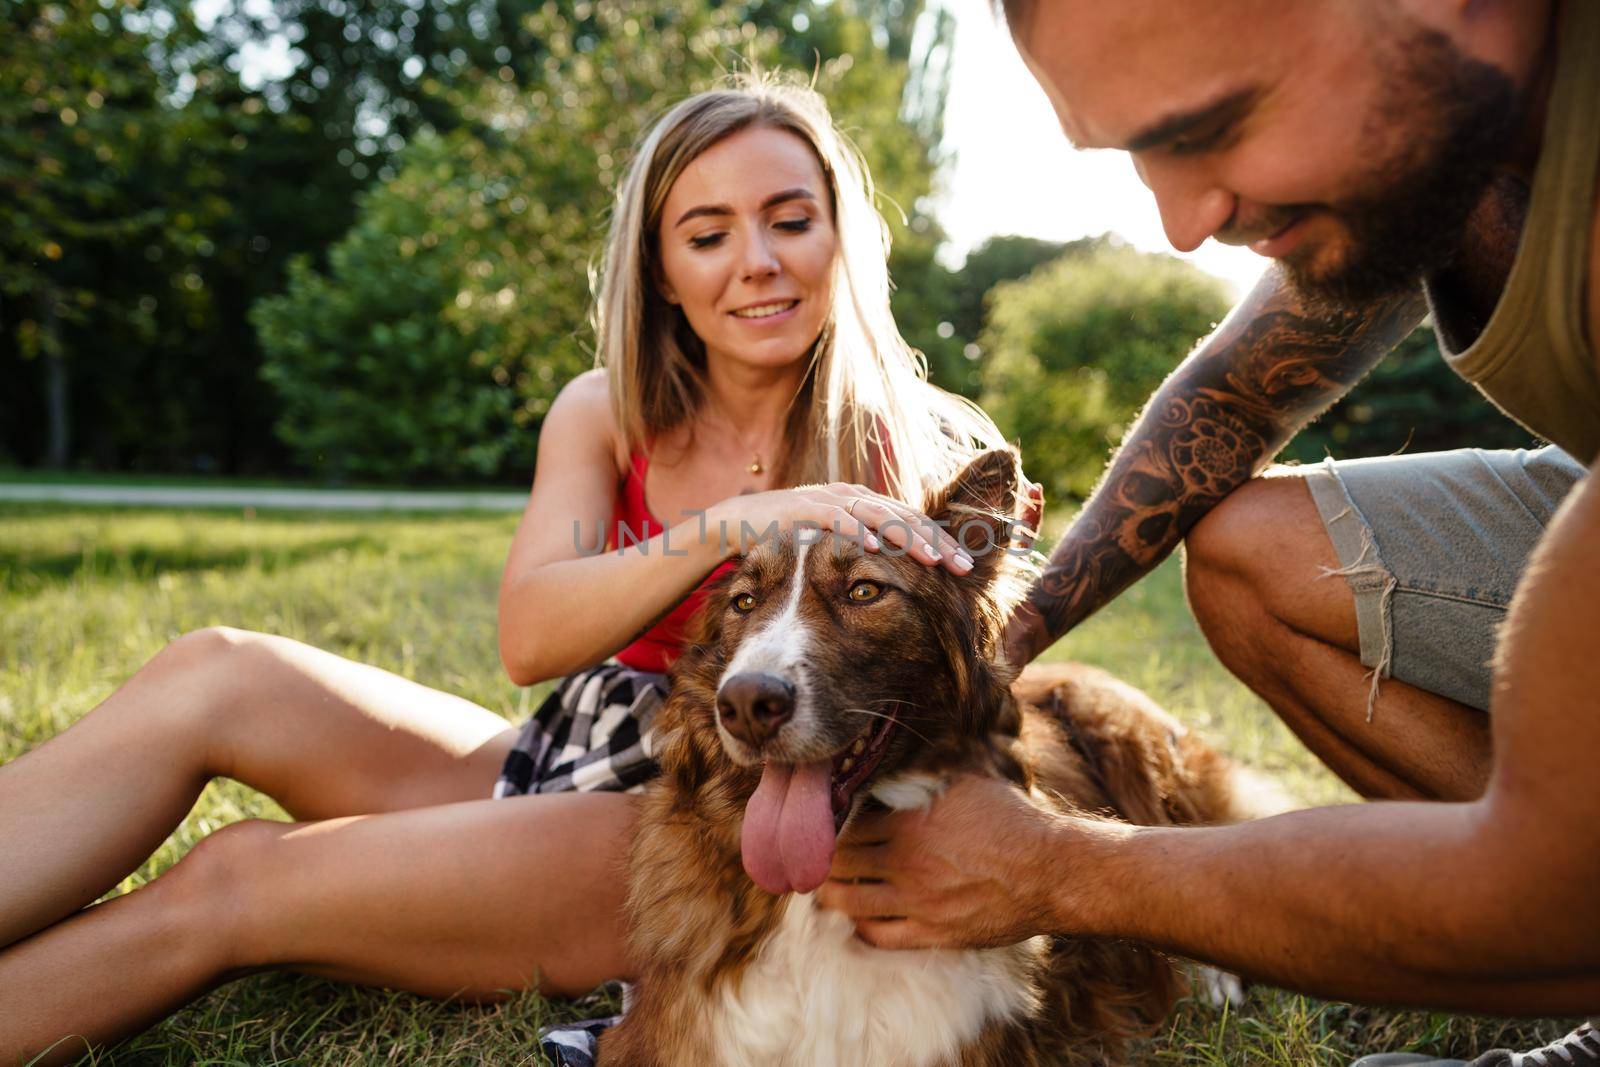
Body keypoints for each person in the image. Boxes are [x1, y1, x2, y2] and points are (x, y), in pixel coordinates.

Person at [0, 75, 1013, 1065]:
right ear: (661, 270)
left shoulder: (912, 449)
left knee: (235, 876)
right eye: (707, 236)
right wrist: (729, 523)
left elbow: (969, 698)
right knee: (213, 670)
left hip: (686, 813)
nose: (755, 262)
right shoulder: (607, 408)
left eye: (790, 221)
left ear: (843, 236)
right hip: (564, 744)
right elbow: (530, 635)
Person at [818, 3, 1599, 1065]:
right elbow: (1225, 408)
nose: (1183, 220)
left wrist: (1054, 867)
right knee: (1247, 549)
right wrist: (993, 644)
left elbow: (1547, 867)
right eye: (1139, 155)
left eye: (1207, 128)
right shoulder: (1448, 148)